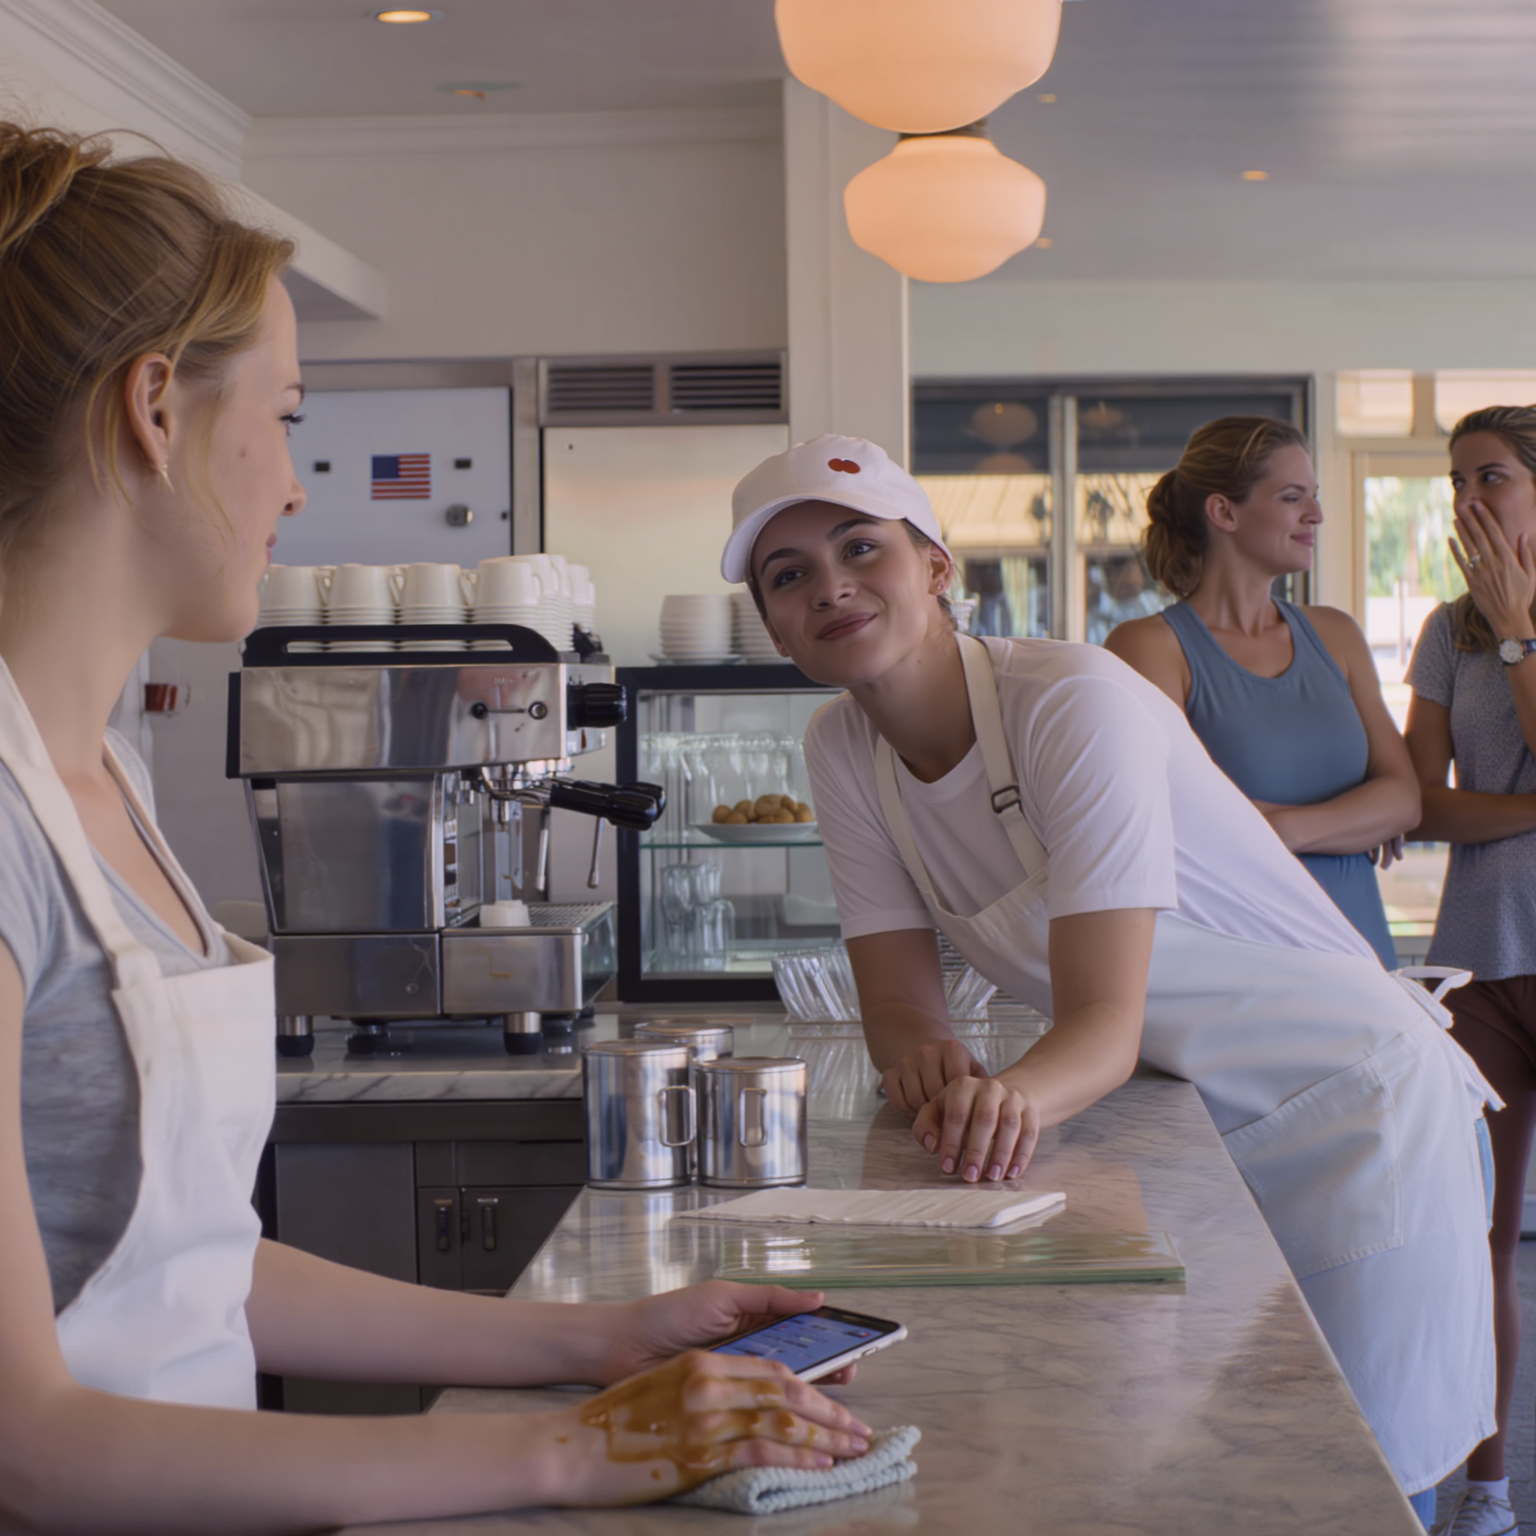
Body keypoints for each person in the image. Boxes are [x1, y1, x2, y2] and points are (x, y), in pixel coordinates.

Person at [0, 123, 869, 1532]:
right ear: (155, 411)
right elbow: (25, 1444)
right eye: (283, 418)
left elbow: (189, 1261)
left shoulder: (105, 783)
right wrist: (570, 1454)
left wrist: (592, 1340)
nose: (294, 485)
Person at [723, 431, 1498, 1527]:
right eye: (787, 575)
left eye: (861, 548)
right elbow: (898, 1002)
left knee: (1355, 1480)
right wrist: (926, 1070)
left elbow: (1102, 1018)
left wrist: (1003, 1100)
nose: (830, 588)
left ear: (939, 566)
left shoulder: (1068, 698)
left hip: (1358, 1110)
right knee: (1220, 1466)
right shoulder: (841, 748)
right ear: (770, 620)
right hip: (1192, 1119)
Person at [1104, 417, 1416, 969]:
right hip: (1244, 968)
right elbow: (1175, 823)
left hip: (1366, 959)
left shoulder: (1335, 634)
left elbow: (1404, 798)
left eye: (1313, 497)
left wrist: (1282, 826)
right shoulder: (1149, 647)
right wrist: (1350, 820)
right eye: (1293, 497)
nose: (1315, 514)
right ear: (1224, 512)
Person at [1403, 405, 1536, 1536]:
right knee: (1473, 1237)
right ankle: (1483, 1495)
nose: (1467, 502)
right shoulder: (1446, 630)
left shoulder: (1488, 627)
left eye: (1489, 476)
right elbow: (1419, 798)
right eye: (1456, 483)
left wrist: (1522, 630)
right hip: (1479, 967)